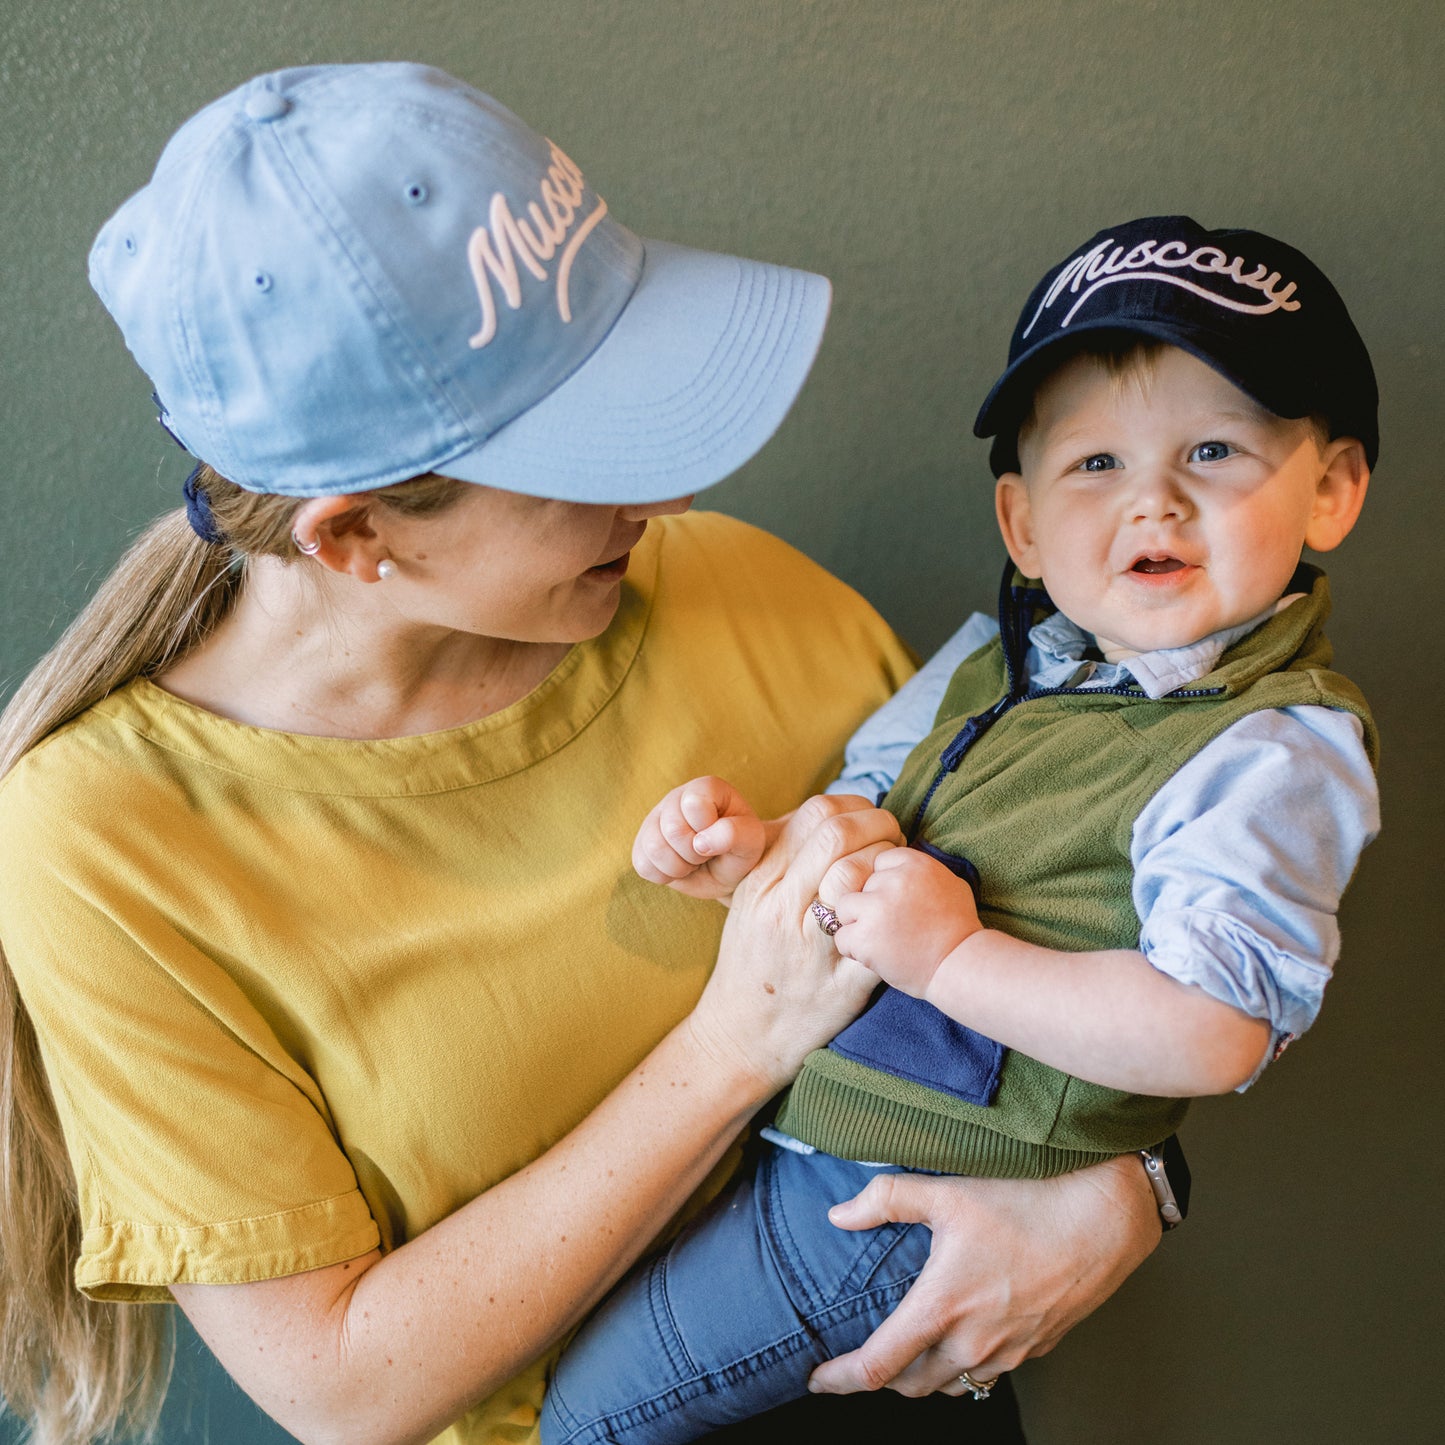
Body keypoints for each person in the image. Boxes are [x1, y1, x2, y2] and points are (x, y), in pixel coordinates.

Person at [0, 64, 1165, 1445]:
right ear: (354, 536)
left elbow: (1080, 929)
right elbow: (344, 1389)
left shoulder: (750, 593)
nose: (669, 491)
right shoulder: (103, 836)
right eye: (586, 461)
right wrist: (740, 1033)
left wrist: (1129, 1190)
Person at [540, 216, 1381, 1444]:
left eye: (1212, 449)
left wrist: (949, 960)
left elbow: (1210, 1030)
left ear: (1330, 491)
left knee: (588, 1416)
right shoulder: (992, 660)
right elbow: (860, 833)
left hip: (913, 1193)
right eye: (1093, 462)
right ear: (1021, 522)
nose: (1151, 497)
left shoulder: (1270, 748)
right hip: (803, 1124)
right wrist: (759, 854)